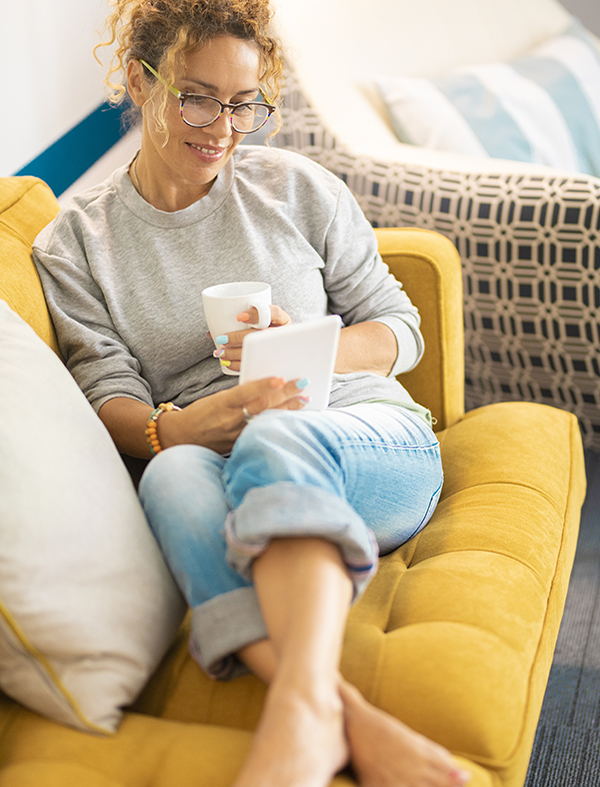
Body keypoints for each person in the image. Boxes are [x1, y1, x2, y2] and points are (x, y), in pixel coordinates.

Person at [32, 2, 471, 786]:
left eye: (243, 104)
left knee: (274, 435)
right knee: (168, 474)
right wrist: (179, 428)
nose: (223, 129)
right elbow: (108, 394)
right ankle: (339, 710)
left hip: (364, 436)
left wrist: (302, 343)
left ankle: (299, 714)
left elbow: (402, 328)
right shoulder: (76, 243)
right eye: (199, 97)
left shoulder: (295, 188)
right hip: (218, 453)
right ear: (141, 79)